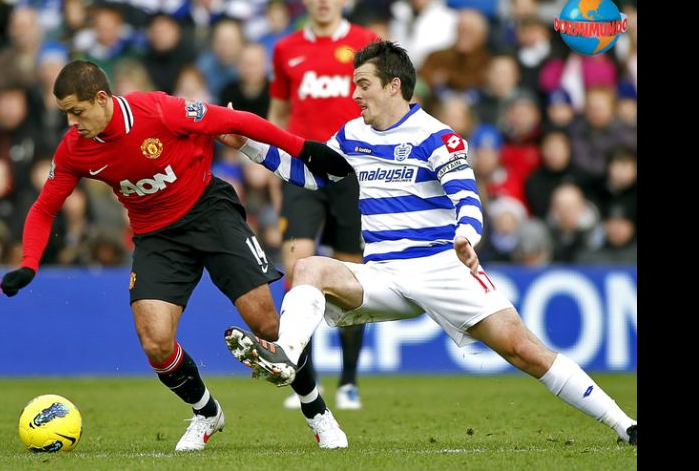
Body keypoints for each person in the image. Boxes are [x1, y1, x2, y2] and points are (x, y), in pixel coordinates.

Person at [220, 41, 637, 446]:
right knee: (308, 267)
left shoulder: (437, 136)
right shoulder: (351, 135)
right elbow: (311, 176)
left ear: (393, 86)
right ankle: (285, 355)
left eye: (363, 84)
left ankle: (624, 424)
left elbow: (467, 198)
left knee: (525, 351)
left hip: (441, 268)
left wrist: (466, 237)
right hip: (383, 274)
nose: (355, 94)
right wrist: (249, 146)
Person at [0, 59, 347, 451]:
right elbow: (45, 208)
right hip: (154, 235)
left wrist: (304, 149)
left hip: (209, 212)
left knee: (267, 325)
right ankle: (206, 412)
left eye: (77, 112)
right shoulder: (74, 149)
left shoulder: (159, 111)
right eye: (65, 114)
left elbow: (239, 122)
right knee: (155, 342)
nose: (72, 123)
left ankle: (317, 412)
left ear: (101, 98)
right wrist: (28, 264)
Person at [267, 0, 378, 411]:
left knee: (351, 279)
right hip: (302, 173)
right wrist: (275, 168)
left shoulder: (367, 43)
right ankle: (299, 374)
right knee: (298, 268)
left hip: (354, 176)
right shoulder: (286, 48)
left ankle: (349, 381)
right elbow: (277, 116)